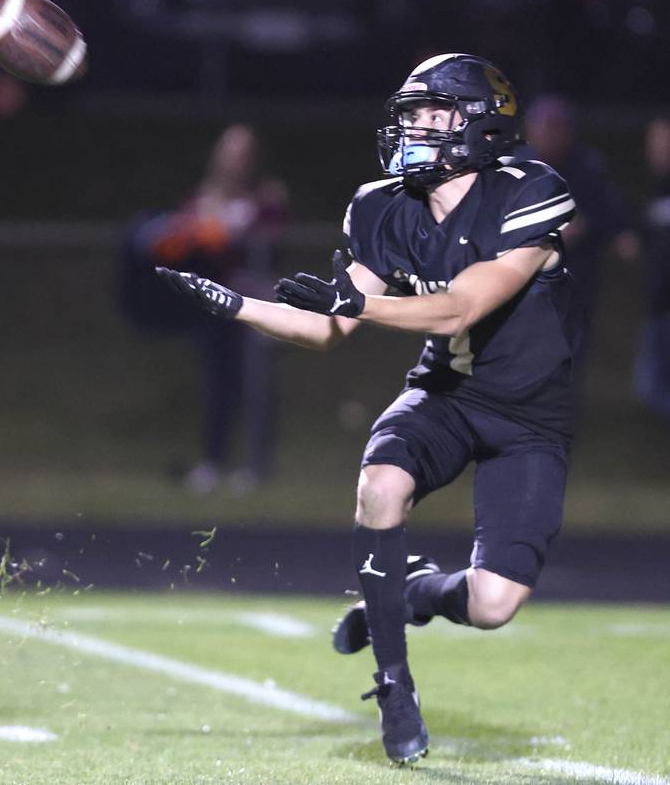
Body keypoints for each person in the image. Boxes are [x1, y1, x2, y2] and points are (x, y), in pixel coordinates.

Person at [157, 54, 581, 765]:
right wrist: (239, 306)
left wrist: (360, 301)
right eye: (409, 113)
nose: (414, 127)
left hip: (529, 418)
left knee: (493, 606)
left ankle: (413, 589)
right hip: (445, 395)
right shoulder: (383, 206)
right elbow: (328, 326)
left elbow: (462, 306)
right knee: (379, 485)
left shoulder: (531, 193)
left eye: (432, 114)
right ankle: (394, 684)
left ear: (480, 124)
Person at [124, 124, 287, 492]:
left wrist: (228, 235)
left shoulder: (266, 196)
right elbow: (185, 243)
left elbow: (266, 239)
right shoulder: (203, 198)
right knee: (218, 384)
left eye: (243, 152)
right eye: (229, 151)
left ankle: (256, 467)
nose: (235, 160)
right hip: (215, 305)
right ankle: (214, 462)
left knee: (256, 386)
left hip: (256, 304)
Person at [522, 95, 630, 407]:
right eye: (543, 128)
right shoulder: (520, 168)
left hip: (576, 277)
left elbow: (607, 210)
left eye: (556, 129)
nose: (549, 136)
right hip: (528, 278)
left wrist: (601, 230)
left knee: (570, 343)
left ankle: (560, 405)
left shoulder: (587, 166)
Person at [633, 117, 670, 426]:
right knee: (648, 387)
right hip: (657, 304)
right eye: (653, 144)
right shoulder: (653, 189)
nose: (657, 151)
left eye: (663, 143)